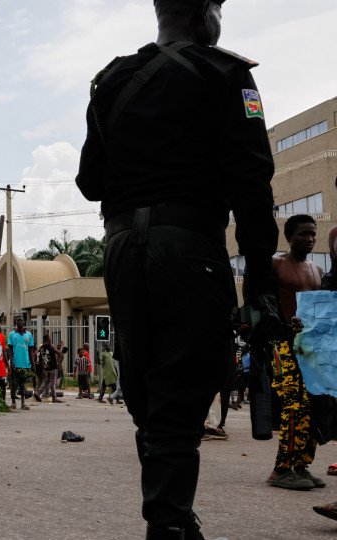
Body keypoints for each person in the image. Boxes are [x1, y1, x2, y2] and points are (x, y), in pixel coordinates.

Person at [75, 0, 279, 536]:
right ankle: (166, 526)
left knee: (149, 396)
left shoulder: (110, 80)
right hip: (189, 249)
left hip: (121, 252)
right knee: (182, 390)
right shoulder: (228, 74)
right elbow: (253, 186)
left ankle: (177, 520)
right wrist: (261, 283)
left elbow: (89, 183)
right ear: (202, 12)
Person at [267, 214, 325, 490]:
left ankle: (301, 466)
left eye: (313, 234)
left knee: (314, 405)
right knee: (294, 405)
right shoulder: (276, 265)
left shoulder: (317, 270)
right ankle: (281, 469)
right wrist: (282, 322)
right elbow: (262, 301)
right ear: (289, 237)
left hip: (312, 347)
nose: (310, 239)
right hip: (283, 343)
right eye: (304, 233)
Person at [7, 316, 34, 410]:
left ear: (24, 322)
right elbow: (10, 350)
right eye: (18, 320)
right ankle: (13, 402)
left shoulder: (29, 335)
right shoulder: (12, 334)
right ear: (16, 323)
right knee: (14, 383)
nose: (20, 322)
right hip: (15, 363)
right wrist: (11, 362)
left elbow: (30, 350)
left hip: (25, 363)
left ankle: (23, 403)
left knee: (23, 384)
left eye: (21, 320)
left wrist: (32, 364)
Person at [34, 335, 61, 403]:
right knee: (53, 382)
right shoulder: (50, 346)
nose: (51, 339)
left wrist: (43, 368)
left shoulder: (41, 347)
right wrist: (60, 353)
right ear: (48, 339)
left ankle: (37, 393)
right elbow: (58, 353)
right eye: (50, 338)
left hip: (46, 368)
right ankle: (54, 397)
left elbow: (41, 359)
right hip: (52, 367)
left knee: (46, 381)